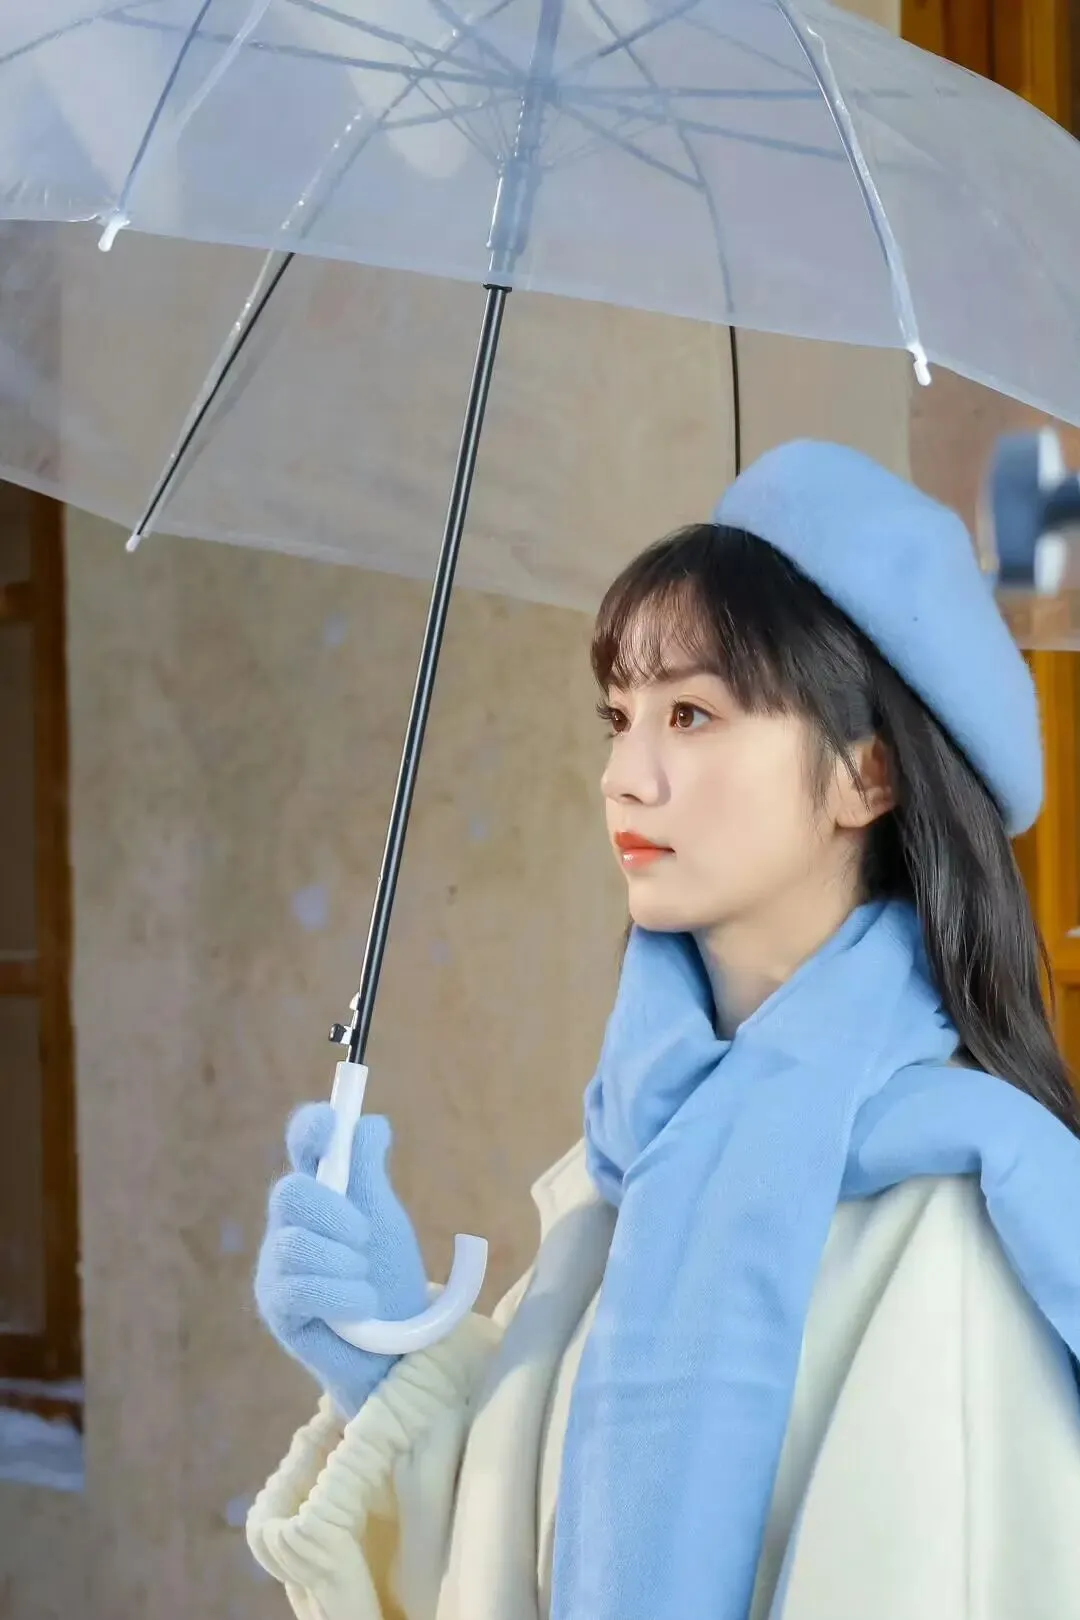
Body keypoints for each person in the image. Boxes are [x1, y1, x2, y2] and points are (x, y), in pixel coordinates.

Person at [247, 440, 1080, 1620]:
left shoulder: (954, 1221)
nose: (624, 778)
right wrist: (387, 1361)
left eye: (691, 714)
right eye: (619, 715)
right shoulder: (629, 1174)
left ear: (868, 775)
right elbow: (516, 1566)